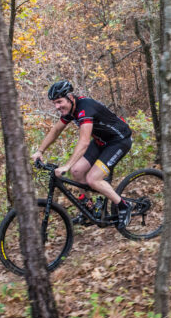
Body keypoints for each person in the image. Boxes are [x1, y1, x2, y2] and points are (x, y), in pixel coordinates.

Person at [31, 81, 133, 228]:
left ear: (70, 97)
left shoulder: (85, 108)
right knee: (77, 171)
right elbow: (56, 131)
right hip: (101, 141)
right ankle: (89, 209)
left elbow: (84, 142)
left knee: (92, 179)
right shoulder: (70, 110)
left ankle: (124, 205)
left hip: (119, 141)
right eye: (55, 103)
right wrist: (40, 151)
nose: (57, 107)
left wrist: (66, 165)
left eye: (59, 102)